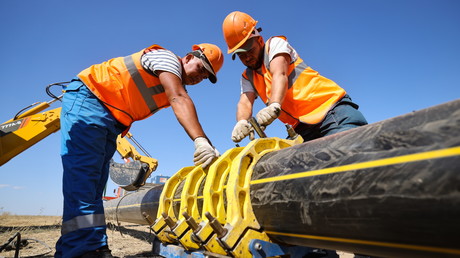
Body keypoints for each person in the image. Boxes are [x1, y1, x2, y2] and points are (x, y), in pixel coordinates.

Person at [55, 43, 224, 258]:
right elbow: (179, 98)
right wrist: (202, 141)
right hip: (90, 100)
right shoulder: (166, 59)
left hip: (108, 118)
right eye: (201, 69)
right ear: (189, 57)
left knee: (94, 187)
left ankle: (93, 246)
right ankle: (81, 251)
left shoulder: (171, 82)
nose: (200, 77)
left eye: (206, 77)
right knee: (83, 182)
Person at [222, 11, 367, 143]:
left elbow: (280, 74)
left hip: (331, 111)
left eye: (249, 50)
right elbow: (245, 102)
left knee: (347, 155)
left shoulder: (275, 45)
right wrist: (241, 122)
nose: (247, 57)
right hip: (304, 127)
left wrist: (274, 104)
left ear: (259, 41)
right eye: (240, 54)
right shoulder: (248, 77)